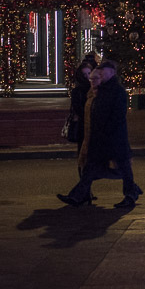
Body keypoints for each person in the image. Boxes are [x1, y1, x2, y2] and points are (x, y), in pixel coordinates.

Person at [60, 60, 140, 209]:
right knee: (91, 168)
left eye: (103, 74)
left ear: (111, 73)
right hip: (100, 137)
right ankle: (77, 196)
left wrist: (105, 131)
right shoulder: (101, 90)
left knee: (123, 168)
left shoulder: (117, 91)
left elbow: (117, 116)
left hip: (114, 138)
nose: (100, 77)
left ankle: (131, 193)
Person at [56, 62, 94, 206]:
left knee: (92, 162)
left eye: (88, 74)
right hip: (83, 130)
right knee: (83, 160)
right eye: (84, 74)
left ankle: (83, 193)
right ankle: (84, 193)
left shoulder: (96, 88)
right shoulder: (78, 91)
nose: (87, 77)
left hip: (94, 129)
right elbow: (78, 109)